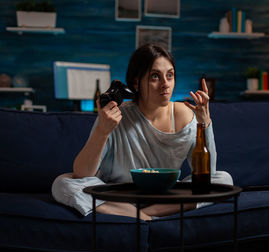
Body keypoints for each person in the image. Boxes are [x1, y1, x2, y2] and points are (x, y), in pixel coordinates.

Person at [51, 44, 233, 221]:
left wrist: (205, 124)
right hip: (119, 197)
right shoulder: (115, 114)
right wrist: (102, 130)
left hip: (165, 197)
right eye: (155, 76)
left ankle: (149, 214)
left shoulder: (185, 115)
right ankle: (143, 216)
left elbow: (207, 175)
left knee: (223, 179)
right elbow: (82, 175)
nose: (165, 84)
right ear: (136, 83)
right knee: (62, 183)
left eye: (170, 75)